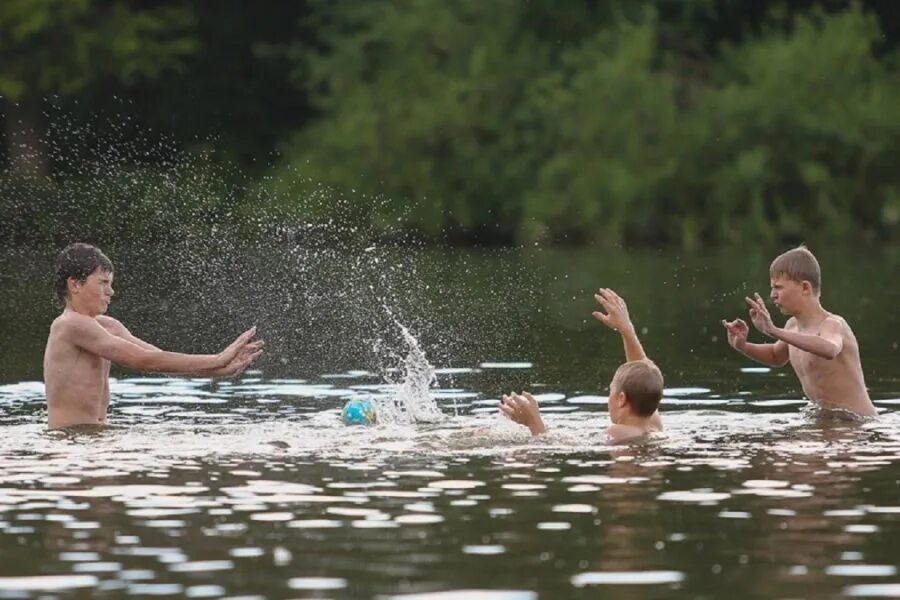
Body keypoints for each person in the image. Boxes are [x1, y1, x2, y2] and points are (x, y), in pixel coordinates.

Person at [43, 243, 264, 429]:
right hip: (69, 440)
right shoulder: (69, 324)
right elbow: (143, 361)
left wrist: (216, 371)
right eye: (103, 283)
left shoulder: (107, 326)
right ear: (74, 284)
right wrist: (218, 358)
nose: (111, 292)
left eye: (110, 284)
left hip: (95, 437)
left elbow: (156, 358)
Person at [721, 245, 876, 417]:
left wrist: (774, 330)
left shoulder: (832, 324)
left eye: (778, 287)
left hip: (857, 424)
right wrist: (742, 345)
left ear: (805, 288)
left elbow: (829, 349)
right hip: (827, 420)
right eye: (772, 288)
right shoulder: (792, 326)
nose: (772, 295)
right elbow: (775, 356)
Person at [500, 288, 664, 444]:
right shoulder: (653, 425)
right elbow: (644, 375)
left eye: (611, 391)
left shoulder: (616, 433)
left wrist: (534, 422)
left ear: (621, 399)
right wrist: (626, 330)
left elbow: (555, 446)